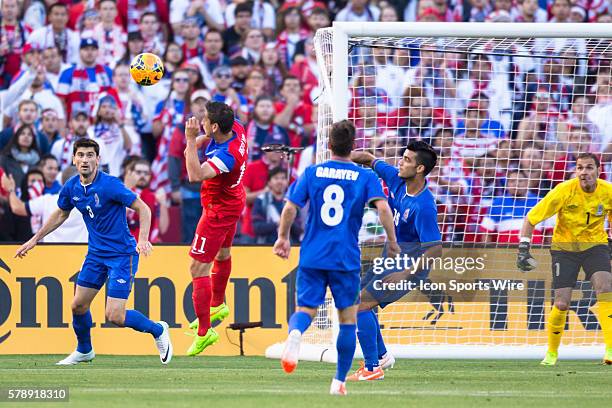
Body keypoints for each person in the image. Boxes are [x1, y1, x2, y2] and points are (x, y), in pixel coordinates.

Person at [13, 138, 172, 365]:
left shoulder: (110, 185)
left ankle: (158, 330)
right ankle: (85, 350)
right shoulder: (71, 187)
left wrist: (143, 239)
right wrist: (35, 239)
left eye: (90, 155)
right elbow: (61, 214)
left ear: (98, 160)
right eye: (81, 155)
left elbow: (143, 208)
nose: (85, 160)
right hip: (96, 254)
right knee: (78, 305)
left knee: (114, 315)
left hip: (121, 255)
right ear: (74, 159)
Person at [273, 120, 399, 395]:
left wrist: (283, 237)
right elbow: (384, 209)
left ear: (328, 145)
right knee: (347, 319)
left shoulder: (311, 172)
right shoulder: (365, 177)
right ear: (353, 147)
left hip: (313, 254)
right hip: (345, 258)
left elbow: (290, 208)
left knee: (305, 310)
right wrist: (392, 242)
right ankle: (338, 381)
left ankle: (295, 334)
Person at [349, 140, 443, 381]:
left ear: (420, 169)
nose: (400, 162)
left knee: (358, 305)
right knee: (357, 300)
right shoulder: (397, 179)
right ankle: (380, 357)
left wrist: (406, 274)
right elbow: (369, 158)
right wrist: (342, 158)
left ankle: (372, 368)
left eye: (407, 160)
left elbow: (434, 250)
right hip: (390, 259)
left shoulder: (424, 207)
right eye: (402, 157)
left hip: (408, 269)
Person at [517, 153, 612, 366]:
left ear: (598, 170)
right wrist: (524, 248)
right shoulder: (564, 191)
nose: (583, 172)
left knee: (605, 288)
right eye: (579, 168)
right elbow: (531, 219)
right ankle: (551, 352)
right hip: (564, 249)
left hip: (595, 245)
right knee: (561, 303)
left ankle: (610, 349)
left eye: (589, 168)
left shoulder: (608, 191)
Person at [183, 101, 248, 356]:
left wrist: (190, 140)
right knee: (223, 254)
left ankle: (205, 332)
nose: (201, 123)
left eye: (205, 121)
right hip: (233, 200)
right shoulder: (237, 128)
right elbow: (213, 139)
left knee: (197, 268)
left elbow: (195, 175)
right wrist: (201, 138)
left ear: (216, 126)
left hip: (217, 210)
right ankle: (218, 304)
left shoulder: (226, 158)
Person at [1, 166, 87, 243]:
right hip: (82, 255)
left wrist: (11, 190)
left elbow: (17, 208)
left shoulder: (48, 200)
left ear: (61, 182)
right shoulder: (93, 202)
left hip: (50, 255)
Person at [124, 158, 168, 243]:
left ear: (150, 176)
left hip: (148, 246)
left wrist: (163, 203)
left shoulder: (155, 197)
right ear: (131, 173)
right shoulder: (122, 193)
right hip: (125, 244)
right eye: (139, 172)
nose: (142, 176)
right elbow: (113, 224)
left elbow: (163, 229)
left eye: (146, 173)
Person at [252, 167, 300, 244]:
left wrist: (286, 221)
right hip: (264, 246)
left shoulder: (293, 201)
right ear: (269, 182)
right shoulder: (261, 200)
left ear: (287, 182)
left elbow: (299, 230)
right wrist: (279, 223)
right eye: (276, 178)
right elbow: (257, 228)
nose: (279, 181)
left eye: (283, 178)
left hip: (289, 246)